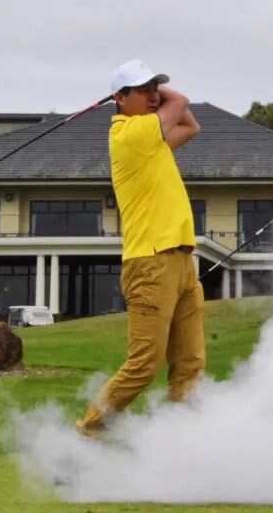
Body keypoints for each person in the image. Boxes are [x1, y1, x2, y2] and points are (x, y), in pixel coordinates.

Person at [76, 59, 203, 438]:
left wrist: (147, 92)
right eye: (143, 89)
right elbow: (180, 102)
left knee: (190, 362)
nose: (152, 95)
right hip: (150, 261)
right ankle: (86, 434)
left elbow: (191, 126)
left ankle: (182, 443)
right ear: (119, 97)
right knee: (144, 364)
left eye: (154, 88)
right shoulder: (129, 133)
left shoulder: (152, 138)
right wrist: (161, 94)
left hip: (181, 259)